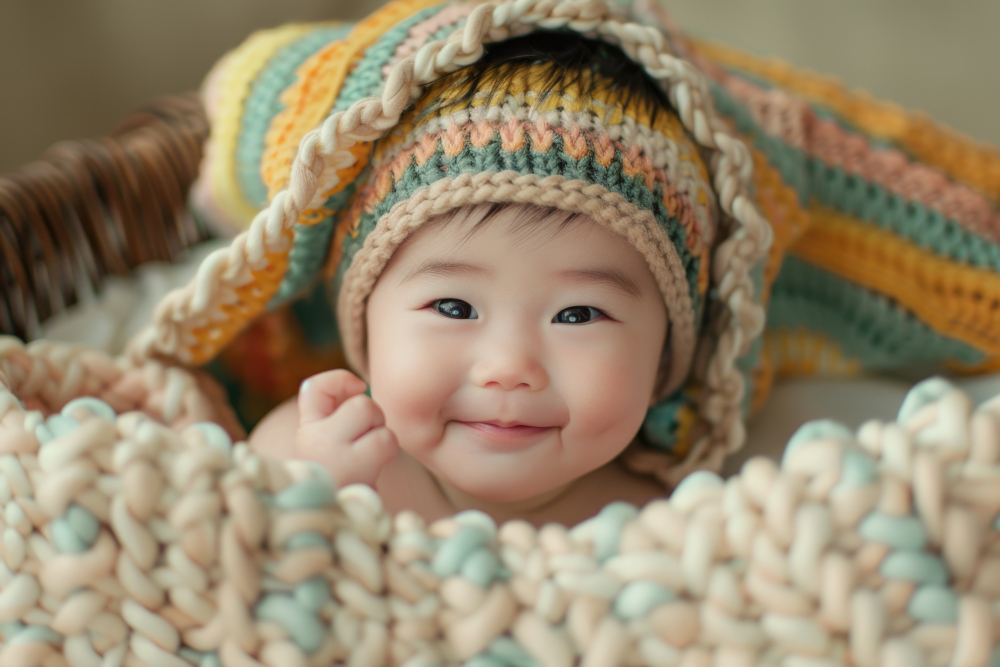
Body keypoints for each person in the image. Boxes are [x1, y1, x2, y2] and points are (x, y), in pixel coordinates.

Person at [134, 0, 1000, 530]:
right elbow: (229, 539)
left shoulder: (659, 516)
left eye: (579, 315)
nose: (510, 367)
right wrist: (301, 488)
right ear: (360, 326)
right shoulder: (336, 451)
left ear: (672, 358)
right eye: (452, 307)